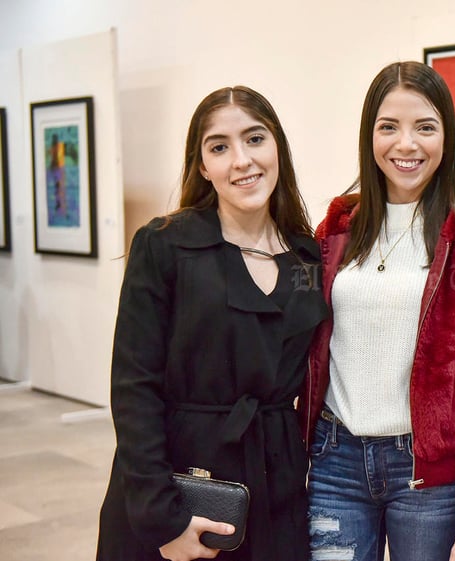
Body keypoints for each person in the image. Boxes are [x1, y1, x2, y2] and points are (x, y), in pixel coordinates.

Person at [301, 61, 455, 561]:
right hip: (333, 461)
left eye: (424, 127)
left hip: (430, 473)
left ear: (447, 137)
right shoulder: (338, 230)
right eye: (389, 127)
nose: (406, 145)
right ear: (370, 136)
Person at [96, 86, 327, 561]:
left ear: (277, 146)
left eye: (254, 139)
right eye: (219, 147)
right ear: (202, 166)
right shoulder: (164, 246)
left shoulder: (307, 256)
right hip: (181, 483)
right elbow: (133, 389)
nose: (241, 160)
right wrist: (164, 518)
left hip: (276, 485)